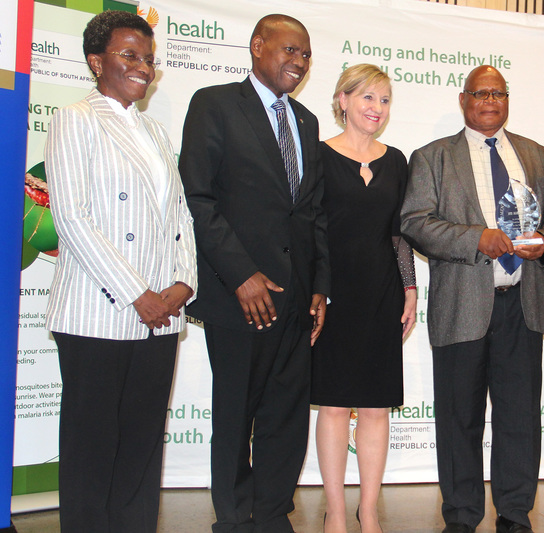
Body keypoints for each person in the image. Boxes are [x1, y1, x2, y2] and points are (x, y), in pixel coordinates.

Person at [44, 10, 197, 533]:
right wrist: (138, 293)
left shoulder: (154, 131)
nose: (142, 67)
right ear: (95, 60)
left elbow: (179, 215)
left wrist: (183, 284)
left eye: (149, 59)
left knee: (141, 444)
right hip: (97, 312)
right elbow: (72, 217)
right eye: (129, 55)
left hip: (160, 316)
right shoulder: (75, 119)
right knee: (92, 449)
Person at [401, 65, 544, 533]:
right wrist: (476, 238)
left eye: (498, 93)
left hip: (523, 305)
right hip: (462, 309)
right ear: (463, 100)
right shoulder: (433, 156)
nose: (490, 101)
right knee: (459, 422)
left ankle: (516, 516)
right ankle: (461, 518)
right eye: (480, 93)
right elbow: (415, 222)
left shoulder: (537, 154)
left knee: (519, 419)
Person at [178, 14, 329, 533]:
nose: (298, 62)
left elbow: (312, 213)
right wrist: (242, 274)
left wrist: (319, 289)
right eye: (290, 50)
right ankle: (235, 519)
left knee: (286, 416)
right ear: (257, 46)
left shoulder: (307, 121)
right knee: (236, 413)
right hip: (238, 296)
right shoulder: (215, 104)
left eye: (306, 54)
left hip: (295, 301)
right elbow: (196, 199)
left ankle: (271, 513)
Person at [311, 64, 417, 533]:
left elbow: (400, 235)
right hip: (331, 296)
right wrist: (315, 292)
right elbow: (309, 230)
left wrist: (410, 288)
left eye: (385, 100)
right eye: (368, 98)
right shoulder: (317, 156)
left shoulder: (397, 160)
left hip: (382, 294)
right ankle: (335, 510)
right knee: (333, 406)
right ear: (342, 101)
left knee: (375, 407)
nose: (377, 108)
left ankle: (368, 511)